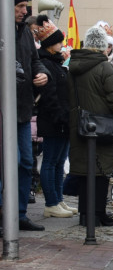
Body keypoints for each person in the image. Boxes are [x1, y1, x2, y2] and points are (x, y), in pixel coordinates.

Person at [67, 26, 113, 228]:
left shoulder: (73, 65)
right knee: (101, 172)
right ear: (103, 48)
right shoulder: (104, 67)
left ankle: (86, 214)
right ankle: (98, 213)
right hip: (102, 126)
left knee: (85, 172)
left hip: (79, 124)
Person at [7, 0, 50, 231]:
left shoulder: (24, 33)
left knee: (25, 162)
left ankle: (20, 214)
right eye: (20, 6)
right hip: (4, 111)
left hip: (22, 111)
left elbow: (36, 62)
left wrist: (42, 74)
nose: (25, 11)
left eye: (25, 6)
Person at [32, 16, 75, 219]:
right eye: (58, 41)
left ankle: (58, 199)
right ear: (50, 44)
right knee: (51, 161)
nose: (61, 44)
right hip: (53, 121)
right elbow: (50, 97)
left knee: (59, 162)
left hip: (63, 121)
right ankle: (51, 202)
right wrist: (61, 117)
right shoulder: (45, 63)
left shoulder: (56, 63)